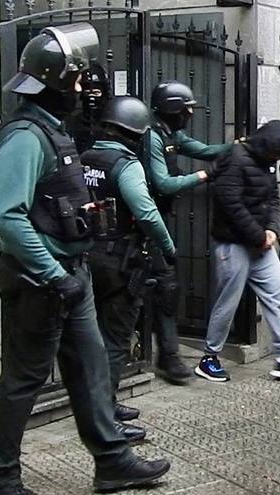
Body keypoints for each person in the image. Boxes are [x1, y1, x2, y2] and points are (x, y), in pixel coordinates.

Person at [0, 24, 170, 495]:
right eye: (78, 79)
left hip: (73, 272)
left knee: (90, 368)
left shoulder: (53, 130)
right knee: (23, 380)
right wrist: (51, 274)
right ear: (57, 82)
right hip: (40, 280)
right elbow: (8, 216)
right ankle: (0, 478)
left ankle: (112, 462)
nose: (85, 89)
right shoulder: (25, 135)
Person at [195, 120, 280, 382]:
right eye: (275, 153)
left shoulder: (267, 161)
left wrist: (273, 230)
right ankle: (209, 358)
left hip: (259, 244)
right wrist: (259, 234)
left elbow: (273, 199)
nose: (277, 158)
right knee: (227, 302)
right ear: (265, 145)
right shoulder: (236, 157)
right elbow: (229, 202)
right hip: (233, 244)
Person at [81, 96, 176, 443]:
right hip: (121, 258)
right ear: (134, 132)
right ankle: (106, 417)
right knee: (116, 338)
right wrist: (168, 247)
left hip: (90, 254)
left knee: (96, 337)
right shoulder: (126, 163)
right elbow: (146, 211)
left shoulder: (87, 156)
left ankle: (106, 401)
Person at [143, 80, 232, 385]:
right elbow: (164, 183)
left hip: (160, 218)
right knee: (164, 288)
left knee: (164, 287)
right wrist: (205, 175)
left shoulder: (170, 133)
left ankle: (161, 354)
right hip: (144, 222)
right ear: (173, 109)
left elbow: (205, 150)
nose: (190, 115)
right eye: (187, 109)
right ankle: (166, 358)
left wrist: (238, 147)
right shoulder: (152, 136)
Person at [68, 62, 111, 153]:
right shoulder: (74, 121)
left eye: (96, 93)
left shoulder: (112, 120)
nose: (92, 98)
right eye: (88, 93)